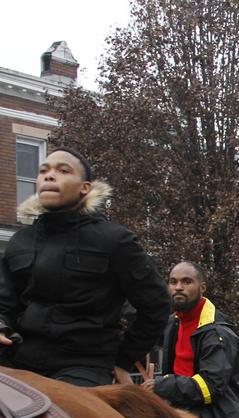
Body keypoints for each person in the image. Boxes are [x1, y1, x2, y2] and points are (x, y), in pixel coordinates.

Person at [0, 147, 170, 386]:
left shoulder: (115, 240)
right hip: (19, 359)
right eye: (43, 171)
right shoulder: (21, 241)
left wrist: (123, 360)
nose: (49, 175)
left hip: (84, 367)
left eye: (63, 170)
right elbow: (5, 301)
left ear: (85, 187)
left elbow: (156, 305)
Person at [146, 261, 239, 418]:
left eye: (187, 281)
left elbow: (209, 388)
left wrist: (161, 384)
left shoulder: (217, 332)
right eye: (173, 282)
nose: (178, 287)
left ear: (202, 288)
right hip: (180, 410)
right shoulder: (173, 323)